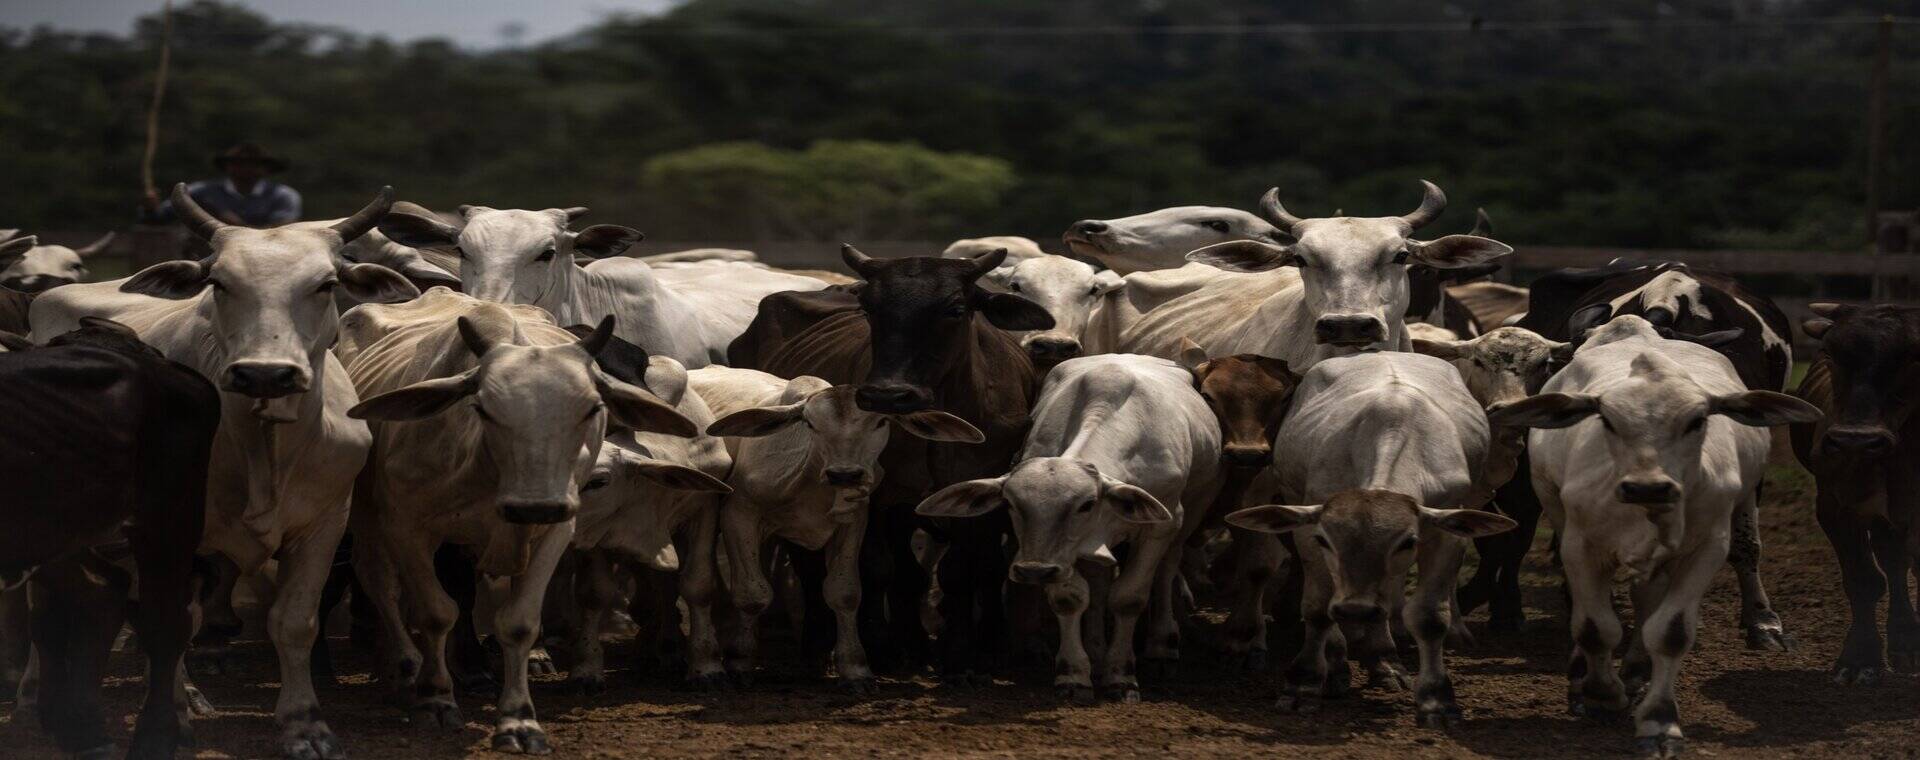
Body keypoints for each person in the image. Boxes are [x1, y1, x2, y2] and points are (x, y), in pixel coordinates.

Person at [141, 143, 302, 227]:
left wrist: (236, 226)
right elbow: (158, 219)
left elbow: (281, 232)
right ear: (228, 166)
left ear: (266, 169)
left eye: (253, 164)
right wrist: (151, 208)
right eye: (238, 163)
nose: (245, 168)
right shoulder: (200, 191)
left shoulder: (283, 196)